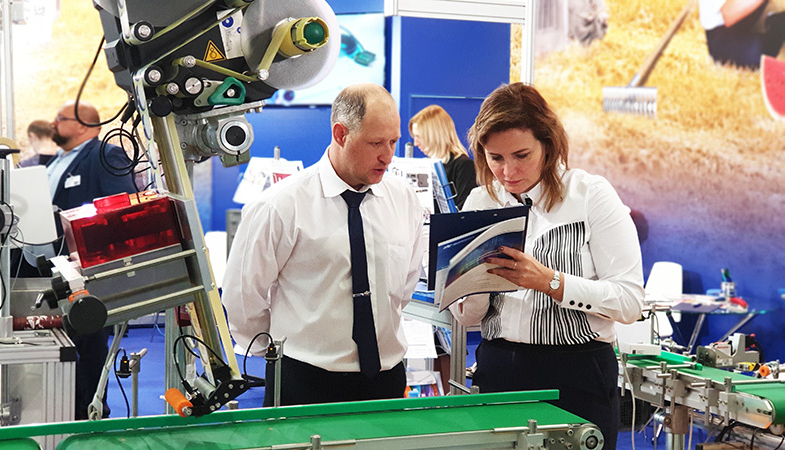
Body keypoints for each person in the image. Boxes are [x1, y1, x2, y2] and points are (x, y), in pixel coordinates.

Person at [450, 83, 644, 450]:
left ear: (548, 144)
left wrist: (550, 282)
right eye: (495, 158)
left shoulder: (591, 195)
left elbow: (630, 302)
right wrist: (468, 282)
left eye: (521, 155)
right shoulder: (480, 202)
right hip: (498, 371)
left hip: (578, 376)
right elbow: (468, 317)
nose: (508, 171)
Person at [222, 83, 425, 406]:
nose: (387, 155)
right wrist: (277, 353)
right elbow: (243, 298)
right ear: (341, 134)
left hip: (386, 378)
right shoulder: (280, 205)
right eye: (375, 143)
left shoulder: (404, 200)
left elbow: (404, 286)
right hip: (305, 380)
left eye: (393, 141)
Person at [40, 100, 135, 420]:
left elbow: (120, 211)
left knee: (88, 346)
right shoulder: (55, 161)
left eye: (60, 118)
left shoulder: (105, 155)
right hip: (51, 271)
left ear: (83, 125)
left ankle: (89, 414)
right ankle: (60, 412)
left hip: (86, 274)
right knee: (63, 346)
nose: (53, 123)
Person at [408, 105, 477, 211]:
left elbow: (464, 212)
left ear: (434, 136)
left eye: (419, 137)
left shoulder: (463, 166)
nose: (416, 143)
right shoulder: (427, 165)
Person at [699, 0, 785, 69]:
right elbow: (728, 14)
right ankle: (775, 23)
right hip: (721, 31)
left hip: (741, 10)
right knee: (762, 55)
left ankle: (776, 21)